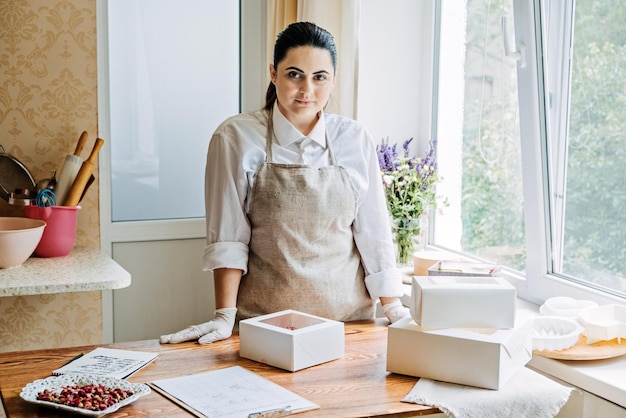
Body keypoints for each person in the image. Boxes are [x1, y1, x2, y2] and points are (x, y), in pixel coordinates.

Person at [160, 21, 409, 345]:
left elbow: (373, 233)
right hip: (265, 329)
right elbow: (229, 238)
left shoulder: (355, 138)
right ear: (273, 73)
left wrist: (395, 309)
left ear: (333, 80)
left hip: (348, 328)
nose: (307, 90)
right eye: (294, 74)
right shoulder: (235, 137)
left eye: (320, 77)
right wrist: (224, 316)